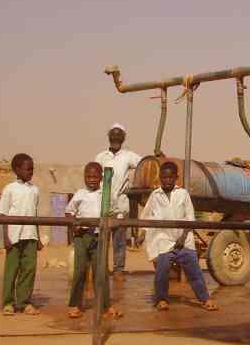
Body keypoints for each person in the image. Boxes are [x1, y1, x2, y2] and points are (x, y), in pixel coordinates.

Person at [138, 161, 217, 312]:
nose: (167, 181)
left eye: (170, 177)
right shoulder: (155, 196)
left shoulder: (183, 194)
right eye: (164, 177)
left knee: (194, 272)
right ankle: (161, 299)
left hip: (184, 240)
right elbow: (146, 215)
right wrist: (143, 232)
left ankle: (205, 299)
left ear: (176, 178)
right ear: (160, 178)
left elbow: (190, 217)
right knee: (162, 271)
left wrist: (182, 238)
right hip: (164, 240)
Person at [64, 162, 122, 319]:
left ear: (101, 177)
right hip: (82, 237)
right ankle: (75, 305)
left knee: (100, 272)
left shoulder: (106, 194)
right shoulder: (80, 194)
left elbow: (115, 213)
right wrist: (74, 226)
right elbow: (69, 213)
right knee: (80, 271)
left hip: (99, 236)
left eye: (95, 176)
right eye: (88, 176)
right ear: (84, 177)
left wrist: (109, 225)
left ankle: (105, 306)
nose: (91, 180)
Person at [0, 153, 43, 315]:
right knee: (12, 270)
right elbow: (2, 214)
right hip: (14, 237)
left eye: (32, 169)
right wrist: (5, 237)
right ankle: (8, 303)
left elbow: (34, 215)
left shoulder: (35, 190)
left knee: (29, 270)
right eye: (27, 169)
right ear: (16, 170)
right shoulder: (9, 189)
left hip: (30, 236)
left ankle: (24, 302)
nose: (30, 172)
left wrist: (38, 238)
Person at [96, 123, 142, 281]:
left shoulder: (128, 156)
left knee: (119, 240)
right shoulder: (101, 157)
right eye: (113, 135)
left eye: (119, 135)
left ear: (123, 138)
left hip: (121, 205)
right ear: (109, 137)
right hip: (102, 204)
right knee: (102, 239)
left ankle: (118, 270)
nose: (116, 138)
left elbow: (144, 164)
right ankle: (101, 268)